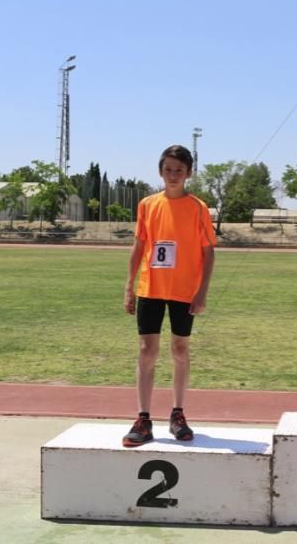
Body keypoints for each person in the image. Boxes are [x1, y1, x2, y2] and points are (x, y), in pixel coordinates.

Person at [121, 145, 217, 448]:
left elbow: (208, 251)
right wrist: (129, 286)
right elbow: (138, 248)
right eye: (168, 170)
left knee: (179, 349)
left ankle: (177, 414)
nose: (173, 175)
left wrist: (202, 290)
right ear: (160, 171)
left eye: (179, 170)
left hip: (184, 290)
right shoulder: (148, 205)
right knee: (147, 350)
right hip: (151, 287)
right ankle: (143, 419)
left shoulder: (198, 208)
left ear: (189, 173)